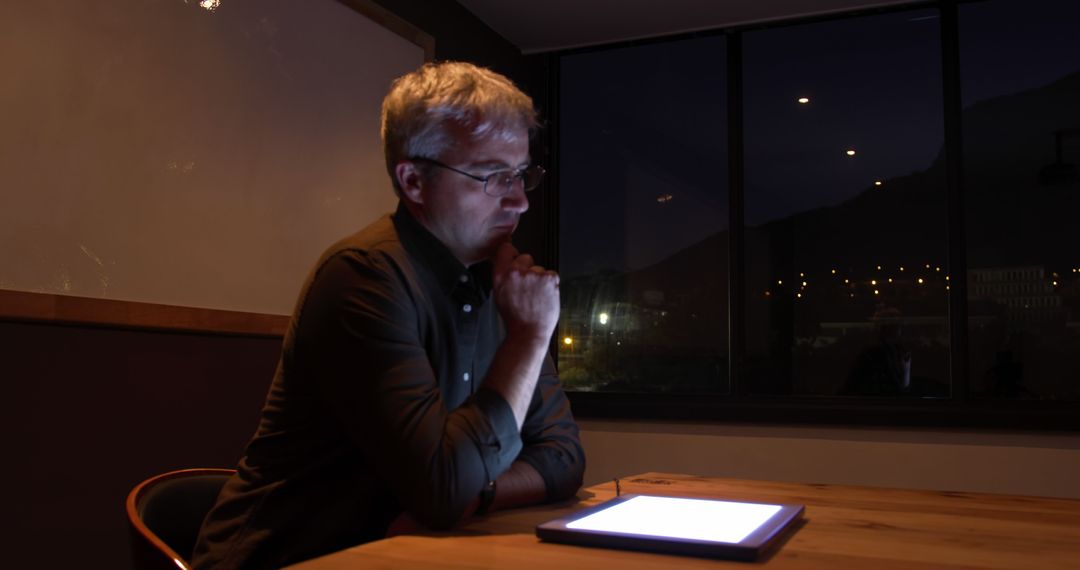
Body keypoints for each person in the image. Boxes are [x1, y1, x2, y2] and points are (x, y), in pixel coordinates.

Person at [192, 61, 585, 569]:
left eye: (521, 175)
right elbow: (441, 488)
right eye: (492, 176)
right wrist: (528, 339)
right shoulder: (363, 277)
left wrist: (478, 494)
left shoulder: (501, 285)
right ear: (414, 181)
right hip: (289, 557)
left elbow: (562, 458)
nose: (519, 201)